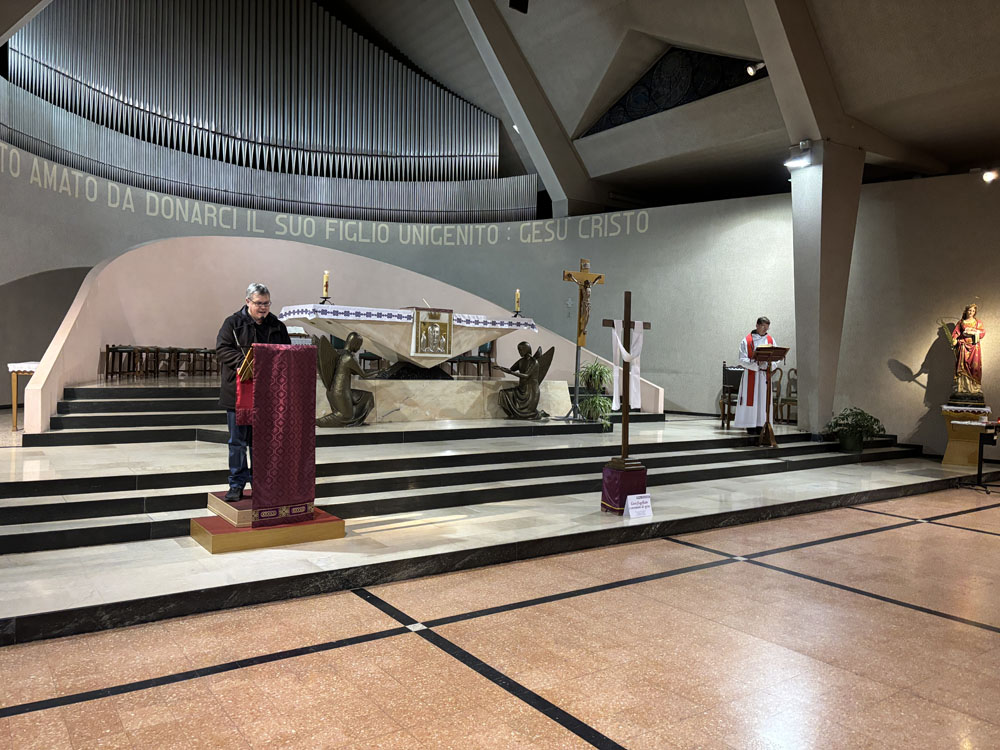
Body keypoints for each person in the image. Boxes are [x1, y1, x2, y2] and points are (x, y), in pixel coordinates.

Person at [216, 283, 291, 502]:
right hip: (238, 392)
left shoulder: (277, 326)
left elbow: (286, 352)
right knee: (237, 443)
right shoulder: (233, 323)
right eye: (259, 303)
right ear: (248, 301)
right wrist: (246, 362)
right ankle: (236, 484)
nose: (263, 308)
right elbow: (222, 349)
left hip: (266, 394)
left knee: (261, 443)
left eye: (267, 303)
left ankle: (261, 484)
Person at [316, 332, 376, 427]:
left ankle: (356, 422)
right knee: (345, 415)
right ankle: (316, 421)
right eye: (359, 345)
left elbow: (354, 371)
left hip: (334, 391)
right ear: (355, 343)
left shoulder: (340, 354)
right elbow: (364, 375)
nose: (359, 348)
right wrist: (380, 371)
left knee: (367, 397)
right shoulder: (349, 357)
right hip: (339, 392)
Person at [734, 316, 775, 434]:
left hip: (764, 376)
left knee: (763, 401)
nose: (765, 330)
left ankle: (762, 425)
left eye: (767, 327)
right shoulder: (746, 341)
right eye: (763, 327)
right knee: (751, 400)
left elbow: (776, 358)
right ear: (757, 325)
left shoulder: (770, 340)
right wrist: (756, 364)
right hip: (751, 375)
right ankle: (750, 425)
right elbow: (742, 360)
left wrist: (767, 364)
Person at [951, 303, 985, 400]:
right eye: (970, 310)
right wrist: (954, 340)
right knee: (963, 367)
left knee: (974, 367)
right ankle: (962, 388)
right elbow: (955, 333)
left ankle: (973, 388)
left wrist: (975, 332)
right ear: (966, 311)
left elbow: (982, 332)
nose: (971, 312)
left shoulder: (978, 322)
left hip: (974, 347)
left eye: (973, 311)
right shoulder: (961, 322)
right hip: (963, 347)